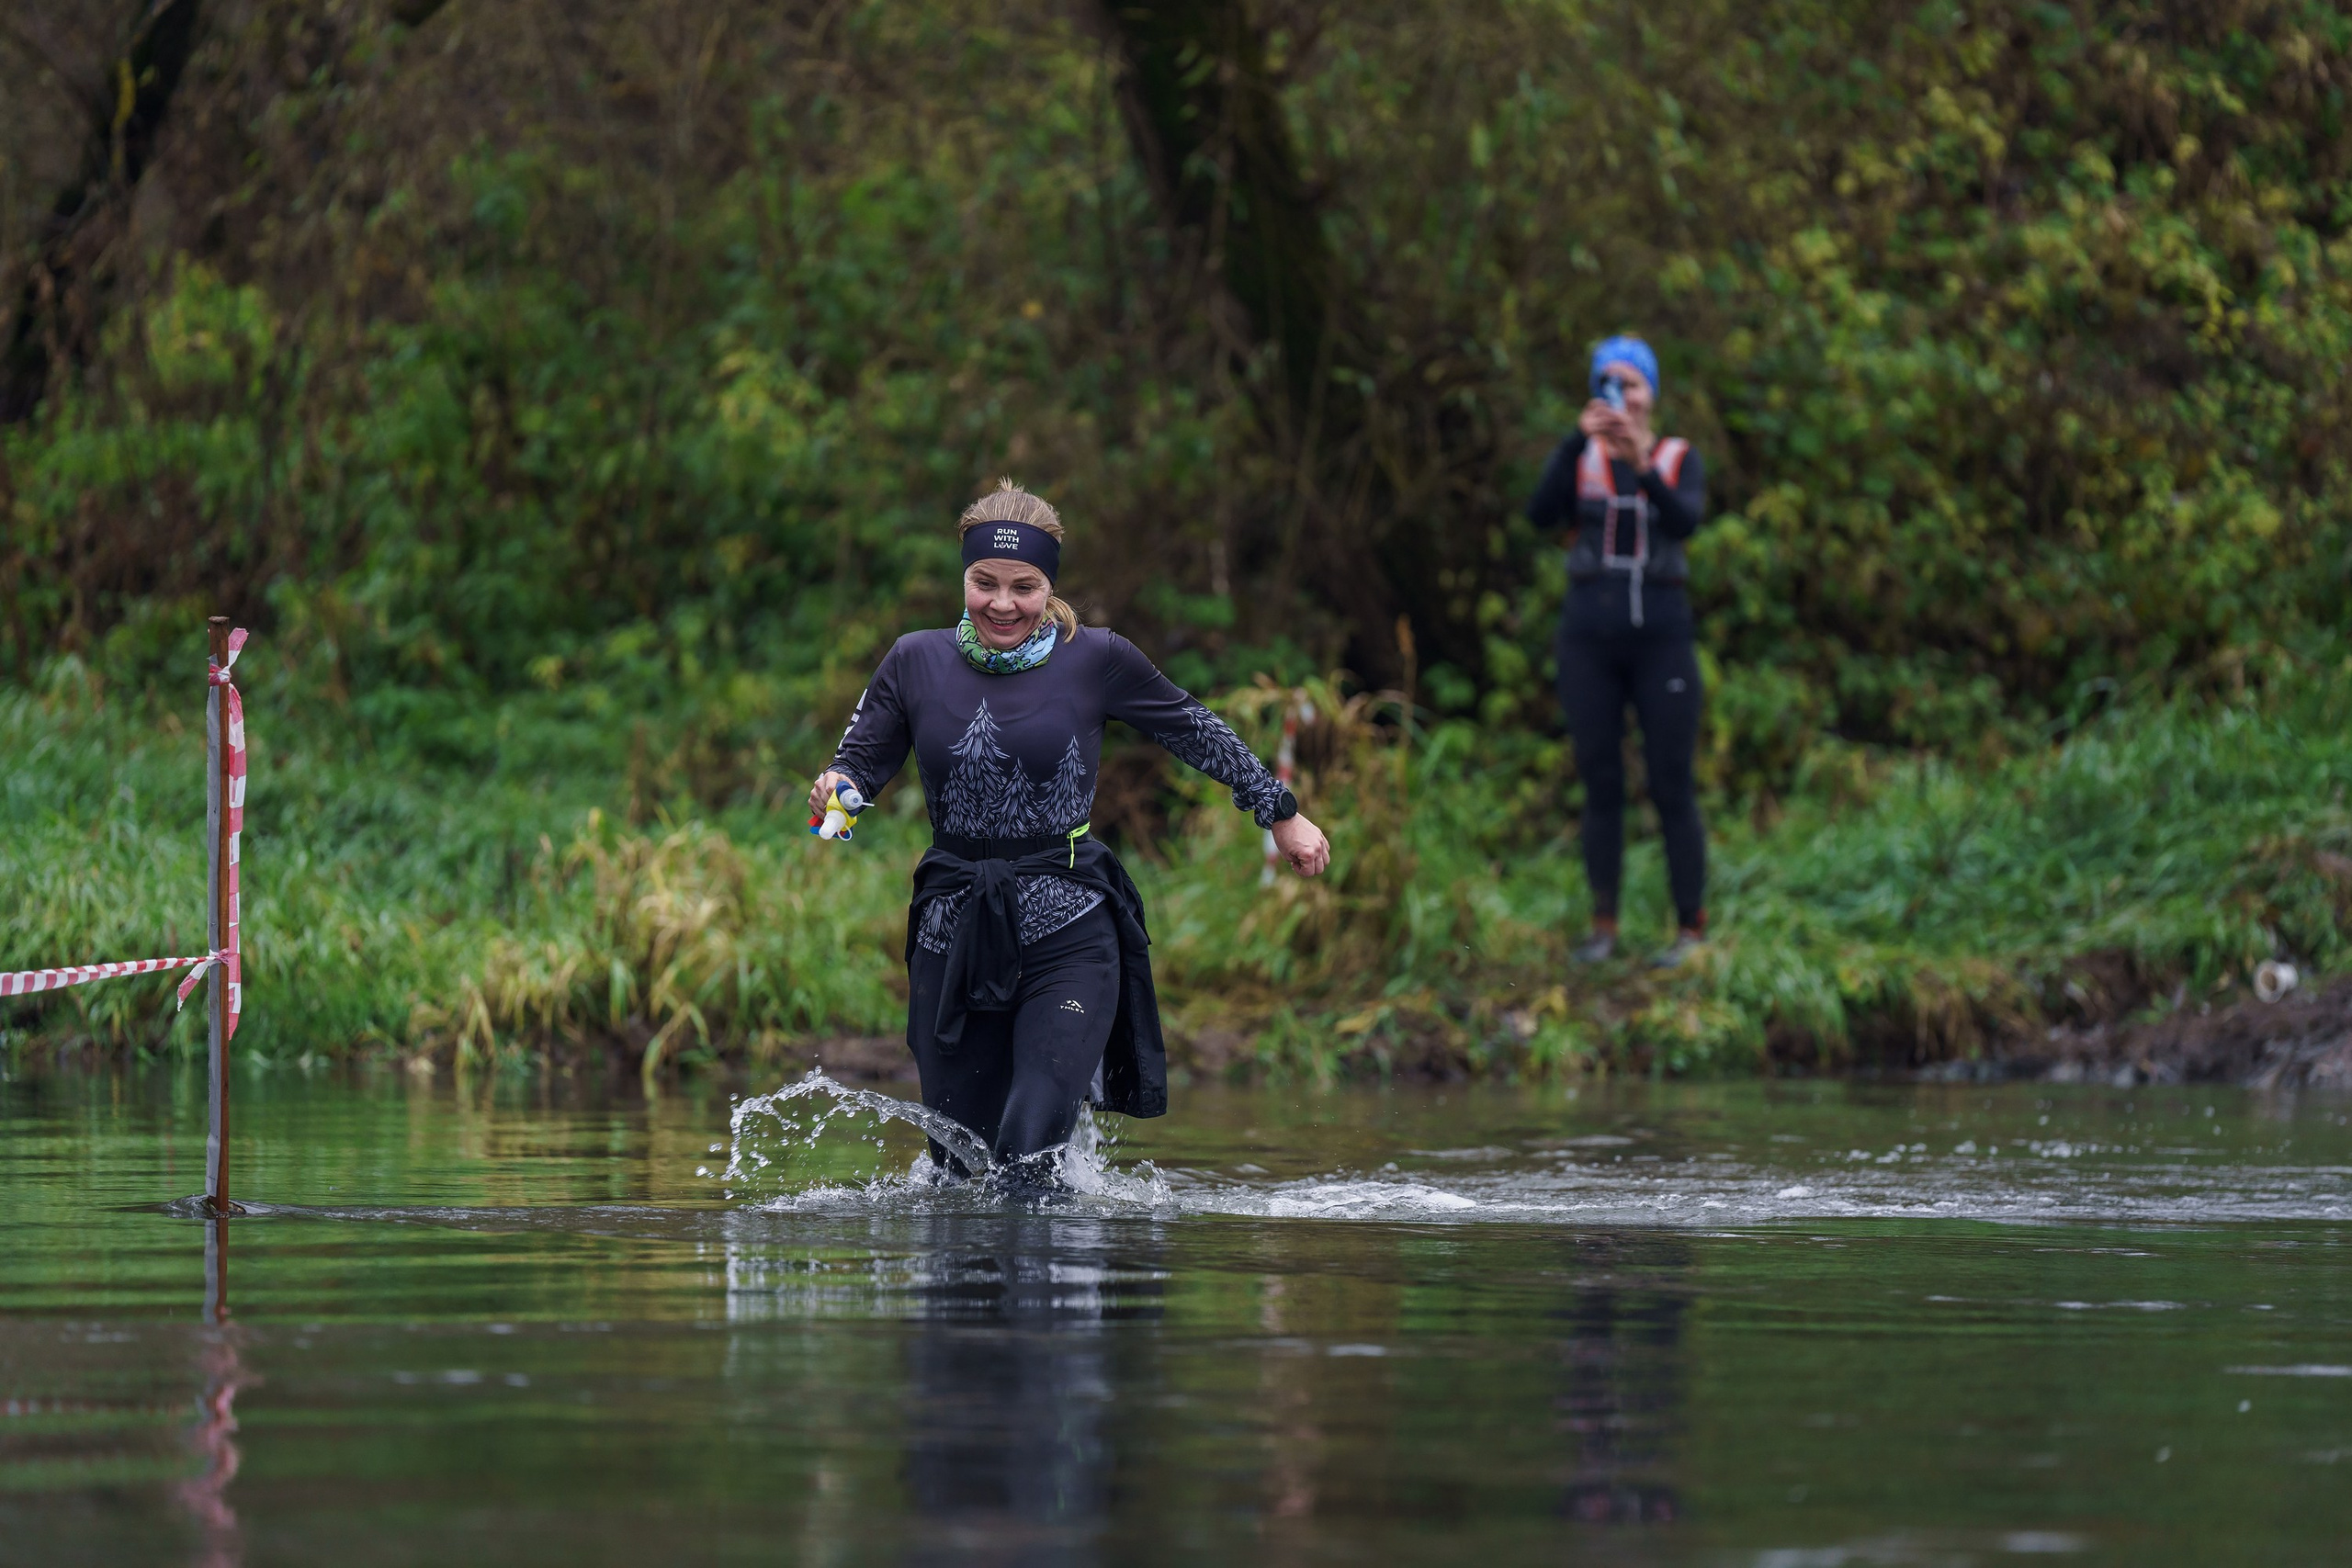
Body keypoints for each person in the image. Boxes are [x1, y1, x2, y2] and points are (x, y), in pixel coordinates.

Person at [809, 479, 1332, 1175]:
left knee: (1028, 1152)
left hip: (1069, 930)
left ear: (1048, 583)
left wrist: (1281, 813)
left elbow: (1193, 729)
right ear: (963, 577)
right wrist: (834, 796)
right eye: (984, 583)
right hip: (951, 930)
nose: (1002, 603)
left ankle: (1055, 1272)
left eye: (1023, 586)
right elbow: (854, 774)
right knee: (958, 1165)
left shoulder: (1097, 657)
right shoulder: (914, 660)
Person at [1525, 335, 1710, 968]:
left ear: (1651, 392)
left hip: (1662, 638)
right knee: (1601, 781)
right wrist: (1579, 440)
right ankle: (1603, 927)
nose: (1621, 396)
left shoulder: (1679, 456)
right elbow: (1539, 513)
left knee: (1671, 783)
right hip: (1589, 640)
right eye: (1609, 383)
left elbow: (1686, 521)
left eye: (1632, 384)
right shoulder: (1581, 459)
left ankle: (1691, 929)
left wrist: (1643, 465)